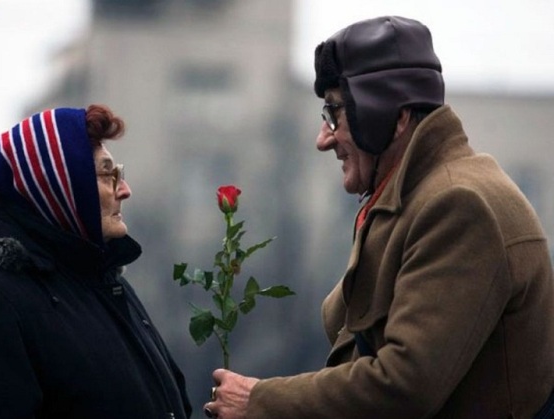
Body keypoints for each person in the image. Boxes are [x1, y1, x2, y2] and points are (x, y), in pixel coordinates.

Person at [203, 15, 554, 419]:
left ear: (395, 117)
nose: (324, 138)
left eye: (336, 113)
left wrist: (259, 401)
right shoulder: (416, 196)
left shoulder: (457, 205)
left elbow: (403, 386)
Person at [0, 105, 192, 418]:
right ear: (55, 184)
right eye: (107, 174)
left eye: (120, 173)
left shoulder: (98, 279)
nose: (125, 189)